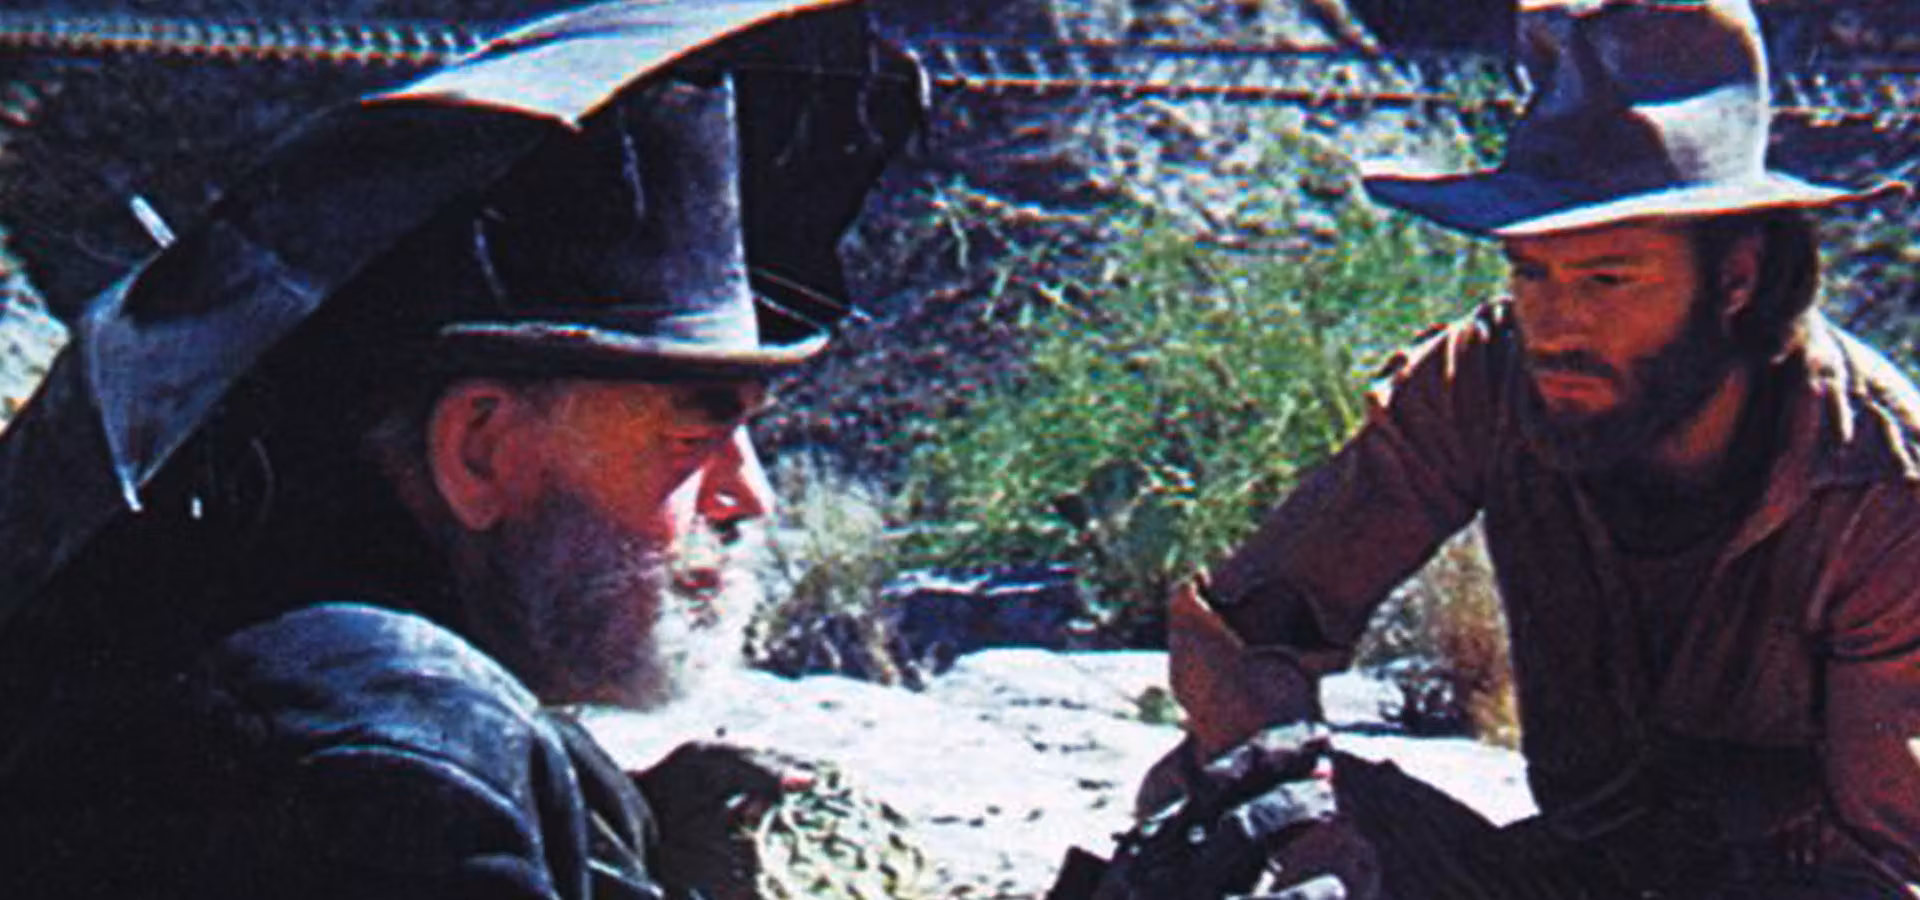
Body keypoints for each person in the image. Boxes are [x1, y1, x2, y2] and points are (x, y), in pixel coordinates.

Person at [0, 1, 919, 897]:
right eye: (694, 436)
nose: (748, 495)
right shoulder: (403, 756)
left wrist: (628, 821)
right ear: (481, 450)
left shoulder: (311, 657)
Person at [1141, 1, 1917, 898]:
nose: (1554, 325)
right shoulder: (1485, 379)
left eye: (1607, 278)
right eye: (1531, 271)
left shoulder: (1880, 484)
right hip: (1576, 872)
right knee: (1215, 805)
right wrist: (1309, 834)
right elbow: (1245, 635)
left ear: (1736, 278)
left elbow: (1891, 855)